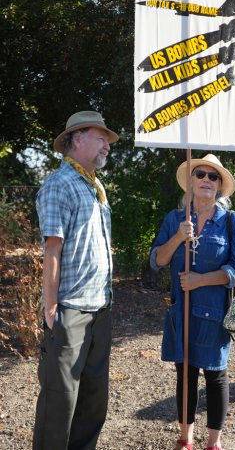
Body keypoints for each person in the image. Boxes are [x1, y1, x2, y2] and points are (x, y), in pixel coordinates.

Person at [150, 153, 235, 450]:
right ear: (191, 182)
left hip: (215, 313)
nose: (206, 179)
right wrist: (178, 238)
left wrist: (201, 280)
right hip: (180, 311)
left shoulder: (231, 221)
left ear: (219, 186)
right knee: (185, 373)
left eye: (213, 176)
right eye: (200, 174)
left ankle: (213, 443)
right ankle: (186, 438)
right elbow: (157, 260)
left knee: (216, 375)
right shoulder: (174, 219)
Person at [33, 110, 119, 450]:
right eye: (101, 138)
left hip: (100, 309)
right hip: (70, 311)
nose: (107, 146)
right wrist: (51, 307)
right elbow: (52, 250)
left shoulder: (95, 186)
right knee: (60, 403)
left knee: (93, 402)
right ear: (78, 139)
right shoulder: (58, 184)